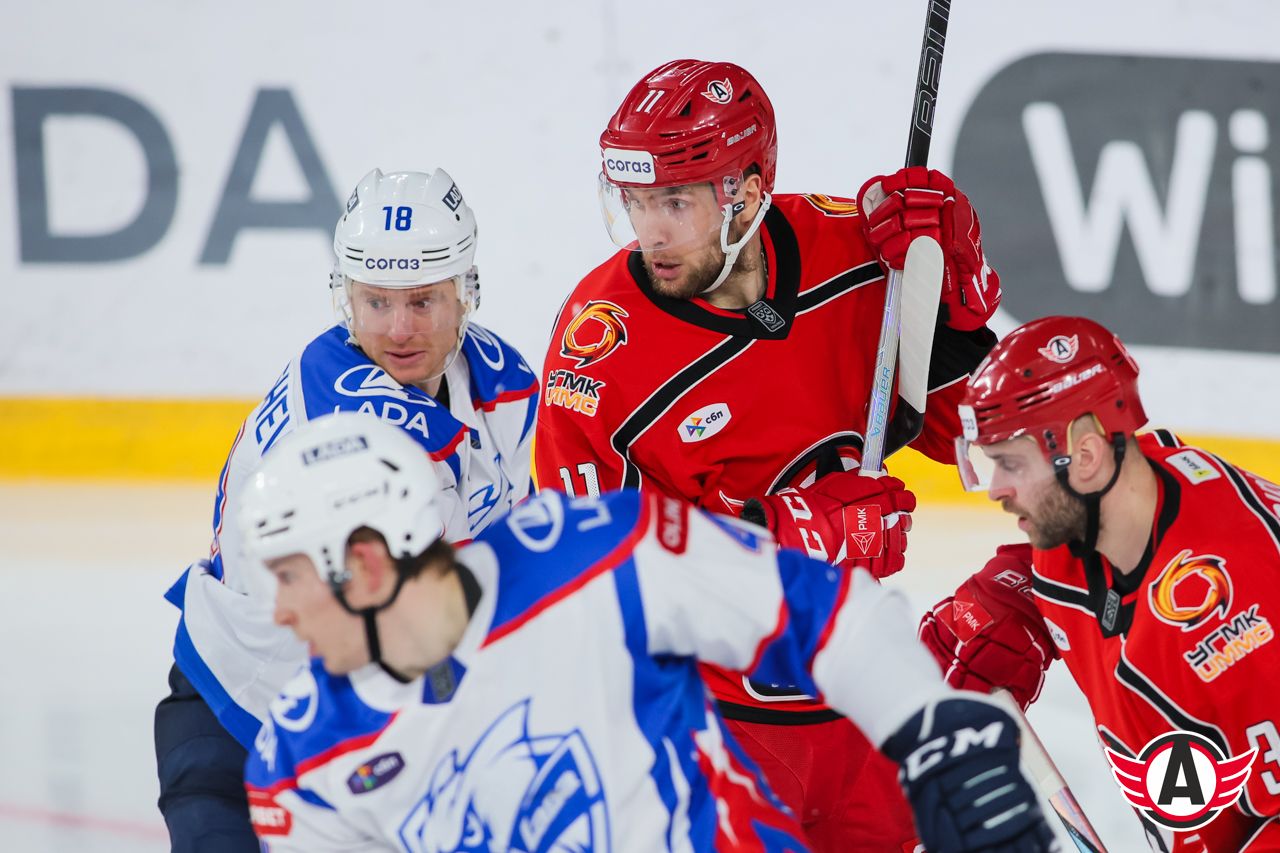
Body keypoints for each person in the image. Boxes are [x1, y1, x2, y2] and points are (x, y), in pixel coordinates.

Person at [534, 58, 1003, 849]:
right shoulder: (599, 352)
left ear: (747, 193)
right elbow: (587, 576)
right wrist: (786, 535)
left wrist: (954, 299)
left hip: (860, 702)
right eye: (635, 202)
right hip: (708, 733)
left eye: (674, 202)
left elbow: (982, 442)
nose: (650, 232)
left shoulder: (853, 256)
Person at [238, 411, 1055, 853]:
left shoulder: (601, 553)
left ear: (366, 564)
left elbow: (822, 612)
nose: (278, 612)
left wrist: (937, 734)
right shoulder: (298, 764)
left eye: (289, 576)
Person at [154, 168, 538, 851]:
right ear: (346, 297)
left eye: (423, 300)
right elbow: (428, 626)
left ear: (465, 293)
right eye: (376, 301)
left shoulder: (502, 378)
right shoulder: (354, 427)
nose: (399, 329)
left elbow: (507, 558)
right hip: (240, 713)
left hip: (360, 718)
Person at [921, 315, 1280, 852]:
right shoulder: (1114, 500)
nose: (995, 490)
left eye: (1011, 465)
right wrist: (1013, 597)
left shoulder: (1241, 613)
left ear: (1085, 456)